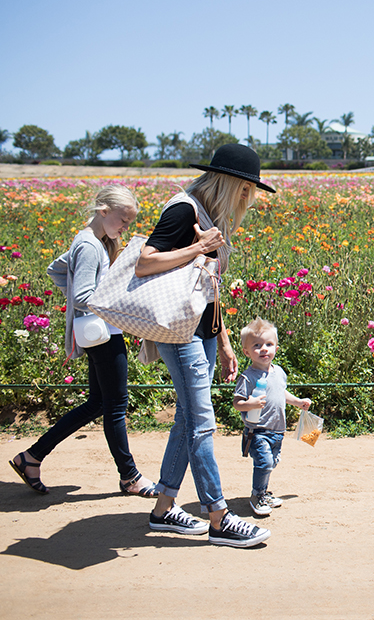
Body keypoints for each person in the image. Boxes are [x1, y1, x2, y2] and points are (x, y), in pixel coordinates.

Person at [137, 143, 275, 548]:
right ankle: (218, 518)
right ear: (228, 182)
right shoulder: (183, 209)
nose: (248, 197)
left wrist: (226, 340)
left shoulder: (210, 215)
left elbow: (206, 288)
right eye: (246, 187)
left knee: (187, 419)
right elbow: (144, 261)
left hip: (202, 331)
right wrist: (199, 246)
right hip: (179, 334)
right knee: (201, 422)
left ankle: (163, 510)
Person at [9, 185, 156, 497]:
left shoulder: (89, 240)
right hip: (104, 334)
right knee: (115, 406)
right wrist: (120, 303)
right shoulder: (90, 246)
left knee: (99, 403)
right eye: (122, 220)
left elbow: (56, 269)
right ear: (103, 211)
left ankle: (32, 457)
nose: (124, 228)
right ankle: (129, 476)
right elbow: (83, 296)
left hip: (100, 333)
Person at [232, 317, 311, 517]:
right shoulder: (248, 377)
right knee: (264, 463)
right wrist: (250, 404)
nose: (264, 349)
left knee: (271, 463)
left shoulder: (279, 373)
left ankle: (263, 492)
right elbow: (237, 403)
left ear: (276, 346)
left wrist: (297, 401)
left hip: (277, 429)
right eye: (257, 346)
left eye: (269, 344)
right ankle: (256, 496)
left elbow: (281, 392)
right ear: (246, 352)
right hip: (257, 430)